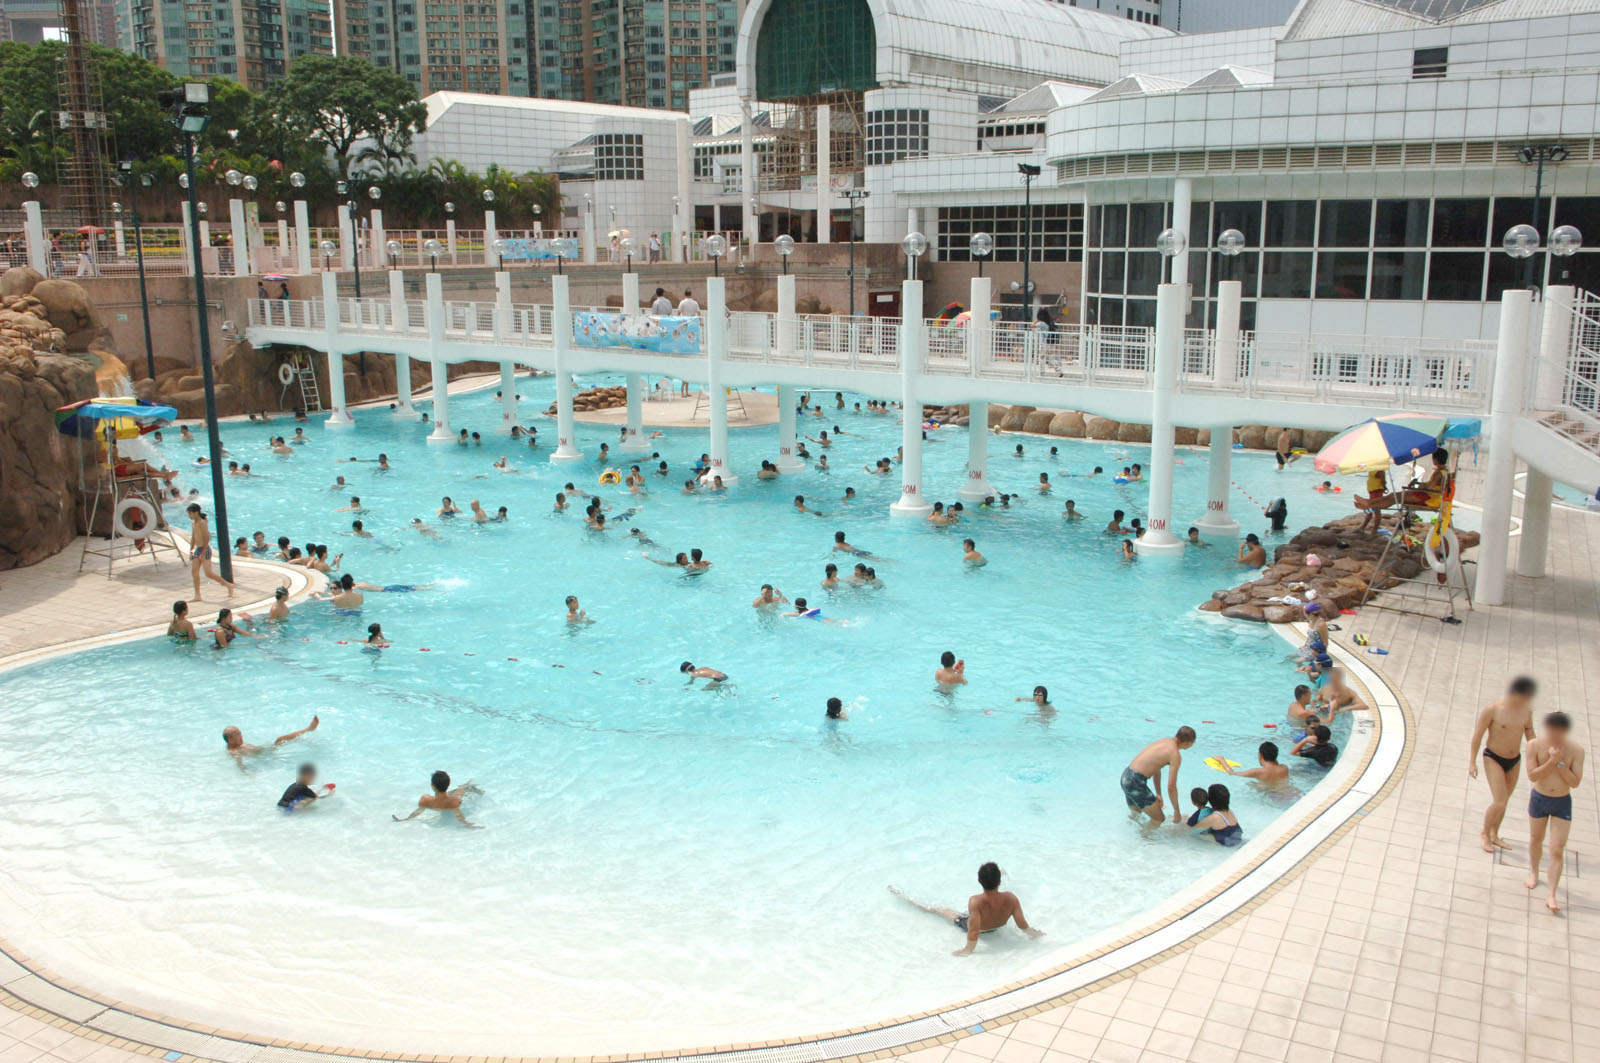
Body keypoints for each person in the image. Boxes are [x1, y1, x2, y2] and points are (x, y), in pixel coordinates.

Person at [889, 862, 1044, 957]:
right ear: (999, 882)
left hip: (980, 929)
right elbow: (1022, 924)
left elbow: (974, 930)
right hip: (998, 926)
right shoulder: (1011, 898)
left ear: (979, 881)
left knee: (941, 910)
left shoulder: (976, 901)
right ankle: (999, 873)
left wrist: (968, 950)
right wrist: (1035, 934)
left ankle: (905, 898)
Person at [1468, 675, 1539, 853]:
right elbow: (1478, 735)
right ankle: (1484, 833)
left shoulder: (1527, 711)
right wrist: (1472, 762)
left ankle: (1494, 834)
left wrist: (1539, 755)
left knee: (1505, 801)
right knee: (1499, 801)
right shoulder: (1493, 710)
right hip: (1493, 758)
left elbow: (1530, 734)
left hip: (1514, 760)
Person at [1525, 711, 1585, 912]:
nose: (1554, 737)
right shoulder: (1534, 745)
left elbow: (1575, 782)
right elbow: (1532, 776)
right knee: (1536, 838)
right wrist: (1551, 761)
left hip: (1561, 801)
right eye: (1551, 732)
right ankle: (1534, 871)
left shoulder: (1576, 751)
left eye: (1558, 733)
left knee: (1557, 848)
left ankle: (1551, 893)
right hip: (1540, 798)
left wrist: (1560, 762)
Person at [1121, 727, 1197, 823]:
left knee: (1136, 814)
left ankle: (1129, 836)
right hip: (1135, 782)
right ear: (1188, 743)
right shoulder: (1175, 755)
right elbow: (1171, 787)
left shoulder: (1164, 741)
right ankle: (1144, 837)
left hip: (1126, 776)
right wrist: (1177, 811)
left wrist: (1158, 793)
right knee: (1159, 819)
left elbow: (1156, 768)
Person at [393, 770, 484, 828]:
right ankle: (480, 792)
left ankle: (465, 786)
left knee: (457, 790)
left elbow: (418, 811)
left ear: (433, 786)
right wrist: (468, 824)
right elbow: (459, 815)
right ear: (448, 785)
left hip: (440, 802)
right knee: (464, 787)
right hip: (450, 802)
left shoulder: (425, 799)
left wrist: (406, 819)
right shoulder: (454, 803)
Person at [222, 716, 319, 770]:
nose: (241, 735)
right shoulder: (233, 750)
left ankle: (308, 729)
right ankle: (308, 729)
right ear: (230, 739)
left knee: (280, 740)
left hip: (263, 750)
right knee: (280, 739)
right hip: (265, 754)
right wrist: (247, 775)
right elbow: (239, 763)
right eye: (238, 734)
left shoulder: (235, 745)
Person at [185, 504, 234, 601]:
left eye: (190, 513)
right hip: (197, 549)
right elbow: (193, 537)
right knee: (194, 572)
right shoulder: (194, 524)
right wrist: (191, 550)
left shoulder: (202, 523)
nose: (189, 516)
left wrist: (203, 552)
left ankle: (229, 585)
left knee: (208, 573)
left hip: (205, 549)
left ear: (196, 513)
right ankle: (197, 595)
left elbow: (206, 538)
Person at [1221, 742, 1289, 784]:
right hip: (1284, 793)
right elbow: (1275, 764)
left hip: (1270, 795)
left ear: (1260, 755)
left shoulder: (1258, 772)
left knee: (1250, 784)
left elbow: (1232, 773)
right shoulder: (1284, 768)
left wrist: (1222, 760)